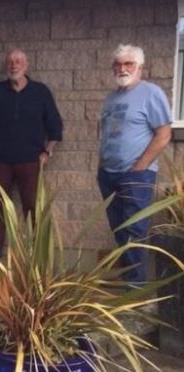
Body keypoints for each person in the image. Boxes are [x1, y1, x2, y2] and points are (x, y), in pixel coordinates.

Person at [0, 48, 63, 257]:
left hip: (31, 161)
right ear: (6, 66)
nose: (14, 65)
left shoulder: (40, 92)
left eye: (18, 61)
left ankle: (35, 251)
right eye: (10, 62)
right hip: (0, 160)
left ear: (26, 65)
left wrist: (47, 153)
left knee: (32, 205)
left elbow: (55, 127)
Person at [98, 44, 172, 284]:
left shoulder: (152, 93)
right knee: (120, 230)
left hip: (136, 176)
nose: (122, 68)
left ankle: (136, 290)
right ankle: (130, 283)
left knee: (135, 232)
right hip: (108, 174)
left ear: (140, 66)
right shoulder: (111, 98)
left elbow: (163, 134)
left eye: (128, 63)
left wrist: (140, 166)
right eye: (118, 64)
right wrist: (101, 164)